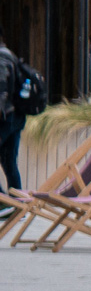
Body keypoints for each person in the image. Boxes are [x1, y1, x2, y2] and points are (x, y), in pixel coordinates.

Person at [0, 30, 26, 194]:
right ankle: (17, 203)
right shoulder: (11, 55)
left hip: (6, 117)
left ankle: (3, 201)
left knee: (9, 161)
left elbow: (2, 92)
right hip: (17, 117)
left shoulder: (1, 58)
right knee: (9, 161)